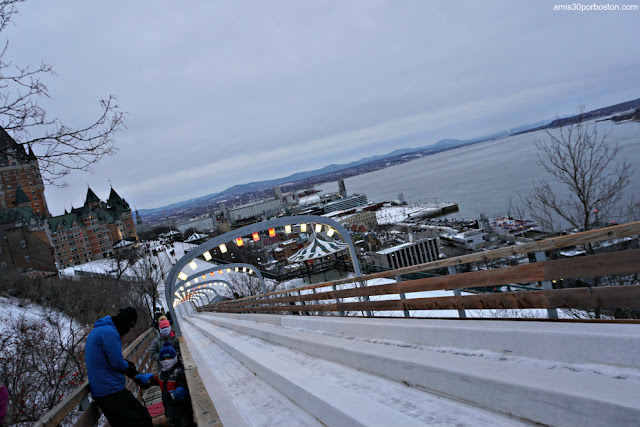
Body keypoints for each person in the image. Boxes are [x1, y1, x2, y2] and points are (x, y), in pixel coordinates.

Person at [85, 307, 152, 427]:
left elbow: (108, 359)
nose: (127, 331)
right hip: (110, 390)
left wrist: (130, 371)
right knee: (143, 419)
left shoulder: (97, 331)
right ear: (126, 323)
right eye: (129, 328)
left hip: (102, 390)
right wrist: (129, 367)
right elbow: (116, 362)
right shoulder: (109, 332)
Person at [136, 342, 195, 427]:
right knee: (173, 422)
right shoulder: (162, 373)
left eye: (169, 358)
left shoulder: (179, 371)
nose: (167, 361)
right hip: (169, 409)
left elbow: (184, 385)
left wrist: (180, 391)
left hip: (182, 408)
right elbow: (155, 380)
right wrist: (144, 377)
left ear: (174, 357)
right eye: (164, 359)